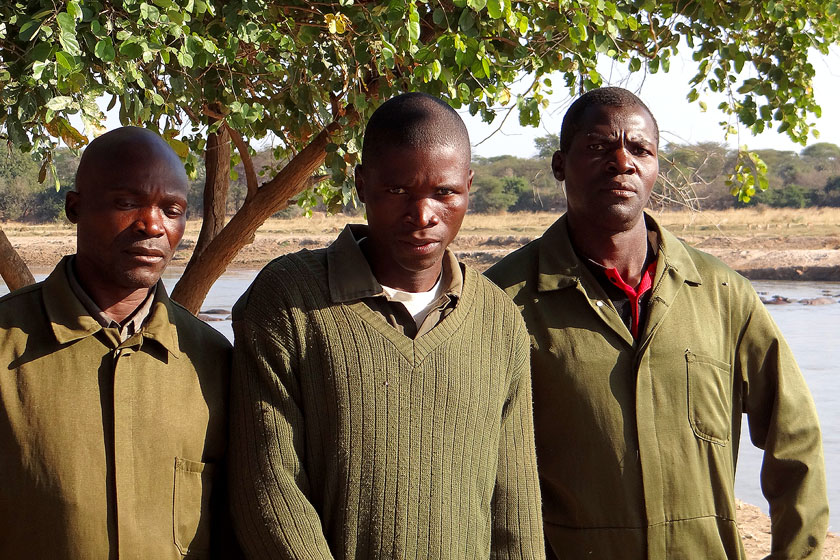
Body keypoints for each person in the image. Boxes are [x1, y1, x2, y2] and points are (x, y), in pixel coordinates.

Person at [486, 87, 828, 559]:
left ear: (655, 168)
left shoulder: (723, 294)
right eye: (598, 147)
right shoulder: (502, 301)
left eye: (640, 149)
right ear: (560, 165)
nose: (621, 161)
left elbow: (795, 438)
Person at [229, 92, 544, 558]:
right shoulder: (289, 298)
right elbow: (269, 487)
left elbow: (515, 507)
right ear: (361, 184)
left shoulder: (497, 319)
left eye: (445, 193)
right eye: (398, 191)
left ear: (468, 187)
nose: (422, 215)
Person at [0, 127, 235, 558]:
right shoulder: (5, 344)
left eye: (172, 209)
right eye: (127, 204)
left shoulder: (212, 361)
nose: (152, 224)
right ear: (75, 207)